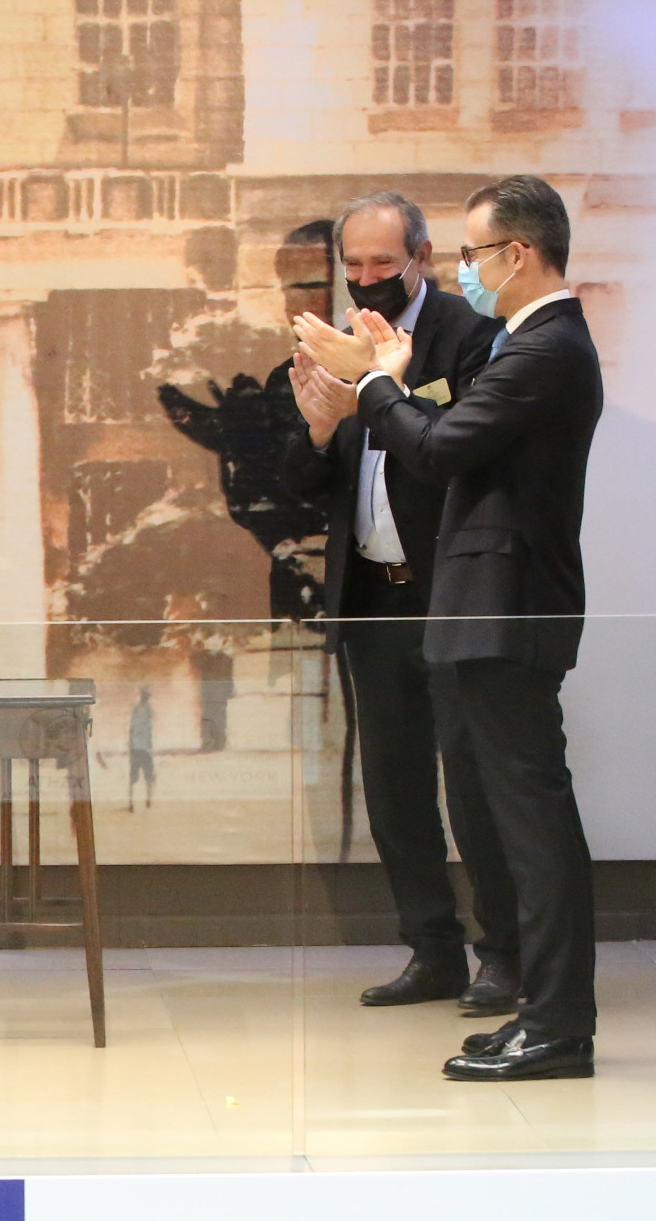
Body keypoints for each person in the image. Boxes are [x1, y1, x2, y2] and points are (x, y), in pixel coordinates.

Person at [293, 175, 602, 1083]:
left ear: (520, 252)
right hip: (476, 606)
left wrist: (374, 382)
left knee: (525, 819)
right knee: (512, 811)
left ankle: (555, 1018)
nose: (466, 269)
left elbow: (437, 447)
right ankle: (545, 1015)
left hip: (506, 605)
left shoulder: (544, 345)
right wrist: (366, 392)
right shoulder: (528, 340)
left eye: (474, 253)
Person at [282, 191, 517, 1017]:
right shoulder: (335, 339)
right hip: (371, 599)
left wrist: (384, 382)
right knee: (395, 785)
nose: (366, 277)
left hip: (450, 594)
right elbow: (305, 481)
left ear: (421, 257)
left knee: (474, 784)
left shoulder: (471, 334)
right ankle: (431, 949)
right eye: (352, 263)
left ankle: (505, 954)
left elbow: (459, 451)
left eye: (382, 261)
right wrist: (319, 429)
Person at [125, 687, 157, 812]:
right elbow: (149, 731)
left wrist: (130, 745)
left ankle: (131, 802)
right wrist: (150, 746)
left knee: (133, 777)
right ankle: (148, 799)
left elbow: (131, 729)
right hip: (144, 749)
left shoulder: (136, 709)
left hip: (136, 748)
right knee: (148, 775)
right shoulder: (149, 711)